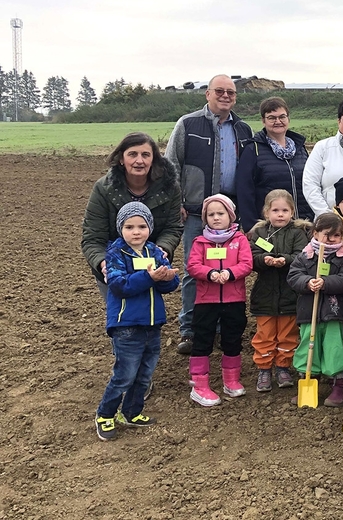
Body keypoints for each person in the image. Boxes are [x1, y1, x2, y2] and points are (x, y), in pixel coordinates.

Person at [166, 74, 254, 355]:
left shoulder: (243, 129)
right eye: (220, 91)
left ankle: (219, 326)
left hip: (230, 215)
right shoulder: (188, 124)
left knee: (228, 269)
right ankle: (191, 329)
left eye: (231, 92)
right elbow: (171, 165)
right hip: (196, 212)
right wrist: (175, 201)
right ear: (207, 94)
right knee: (197, 271)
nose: (226, 95)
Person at [95, 203, 180, 441]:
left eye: (142, 226)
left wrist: (167, 278)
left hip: (152, 323)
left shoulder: (154, 251)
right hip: (126, 325)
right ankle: (105, 414)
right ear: (120, 228)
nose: (136, 232)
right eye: (129, 226)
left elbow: (170, 286)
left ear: (149, 228)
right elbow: (119, 286)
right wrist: (149, 276)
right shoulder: (115, 254)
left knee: (144, 373)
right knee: (125, 375)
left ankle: (131, 412)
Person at [82, 132, 183, 300]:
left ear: (153, 159)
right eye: (132, 154)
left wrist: (163, 249)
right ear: (121, 159)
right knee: (122, 320)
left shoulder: (170, 188)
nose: (139, 161)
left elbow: (173, 228)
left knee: (148, 316)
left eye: (145, 155)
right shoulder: (103, 189)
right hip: (116, 268)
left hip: (150, 265)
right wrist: (103, 263)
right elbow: (92, 237)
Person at [186, 195, 253, 407]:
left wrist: (230, 273)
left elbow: (247, 264)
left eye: (220, 213)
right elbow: (193, 265)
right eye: (211, 214)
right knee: (202, 340)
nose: (216, 218)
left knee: (232, 338)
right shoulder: (200, 241)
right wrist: (212, 273)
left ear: (230, 216)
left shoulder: (240, 239)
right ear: (205, 218)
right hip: (206, 301)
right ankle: (199, 385)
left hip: (234, 299)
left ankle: (231, 380)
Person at [287, 212, 343, 407]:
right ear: (315, 233)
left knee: (334, 349)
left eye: (337, 235)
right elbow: (293, 276)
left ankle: (339, 386)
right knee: (308, 349)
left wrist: (325, 283)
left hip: (334, 313)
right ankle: (308, 382)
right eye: (327, 234)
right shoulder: (306, 256)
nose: (332, 239)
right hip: (309, 312)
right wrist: (308, 282)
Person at [247, 189, 311, 393]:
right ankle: (264, 369)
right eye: (275, 210)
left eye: (285, 210)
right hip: (265, 292)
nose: (280, 214)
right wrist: (264, 261)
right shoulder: (259, 232)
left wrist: (286, 260)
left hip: (290, 292)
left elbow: (302, 255)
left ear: (292, 211)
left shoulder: (298, 232)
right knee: (265, 333)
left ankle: (283, 366)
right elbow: (252, 256)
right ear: (267, 212)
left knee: (287, 333)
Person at [236, 97, 313, 232]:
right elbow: (244, 191)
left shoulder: (300, 149)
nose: (278, 121)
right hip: (269, 228)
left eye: (282, 116)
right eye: (271, 117)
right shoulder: (253, 149)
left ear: (288, 119)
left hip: (302, 225)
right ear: (263, 121)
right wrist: (251, 227)